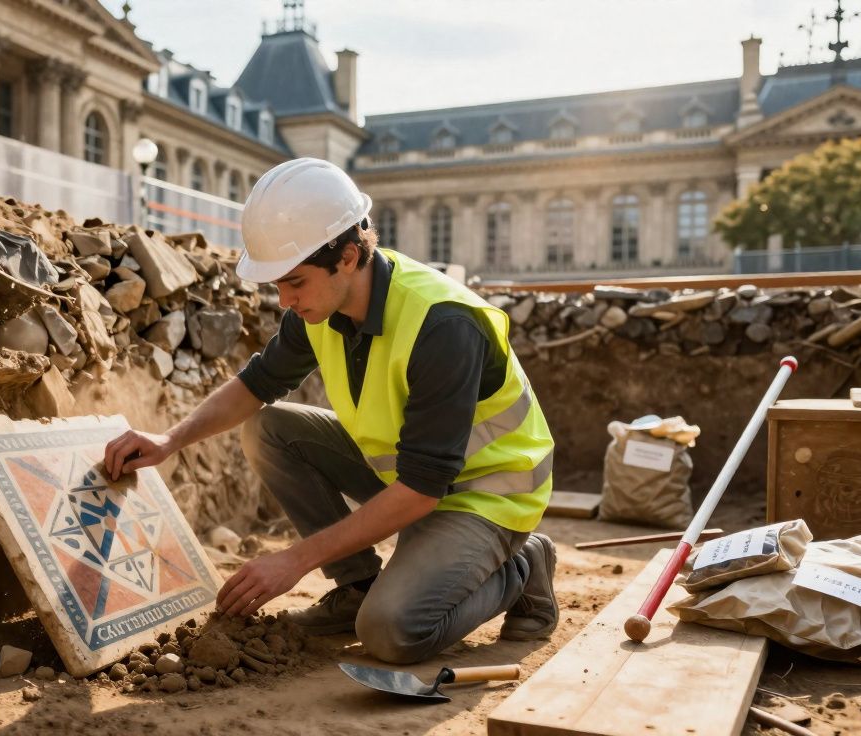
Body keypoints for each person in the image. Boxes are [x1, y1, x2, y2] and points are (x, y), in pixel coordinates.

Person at [103, 157, 558, 664]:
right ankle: (357, 585)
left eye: (295, 282)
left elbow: (421, 490)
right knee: (269, 427)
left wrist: (295, 560)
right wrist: (171, 439)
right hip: (414, 476)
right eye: (277, 284)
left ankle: (522, 567)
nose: (285, 300)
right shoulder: (321, 307)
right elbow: (256, 385)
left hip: (488, 494)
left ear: (347, 256)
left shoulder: (443, 325)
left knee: (391, 631)